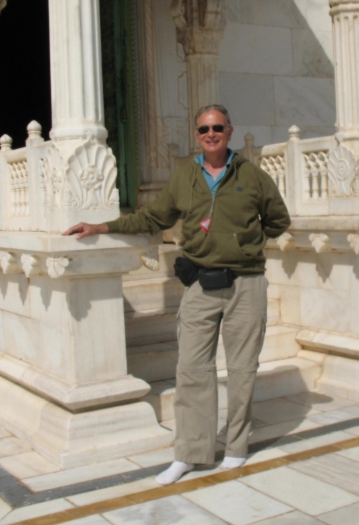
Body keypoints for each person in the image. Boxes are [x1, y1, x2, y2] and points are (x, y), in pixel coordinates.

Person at [63, 105, 291, 485]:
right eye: (204, 129)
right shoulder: (185, 177)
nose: (211, 133)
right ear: (197, 134)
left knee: (241, 369)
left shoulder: (252, 176)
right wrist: (101, 225)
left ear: (230, 131)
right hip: (201, 285)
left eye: (218, 127)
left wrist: (242, 242)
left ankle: (235, 447)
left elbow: (278, 220)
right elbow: (152, 218)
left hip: (246, 285)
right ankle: (190, 452)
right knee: (191, 370)